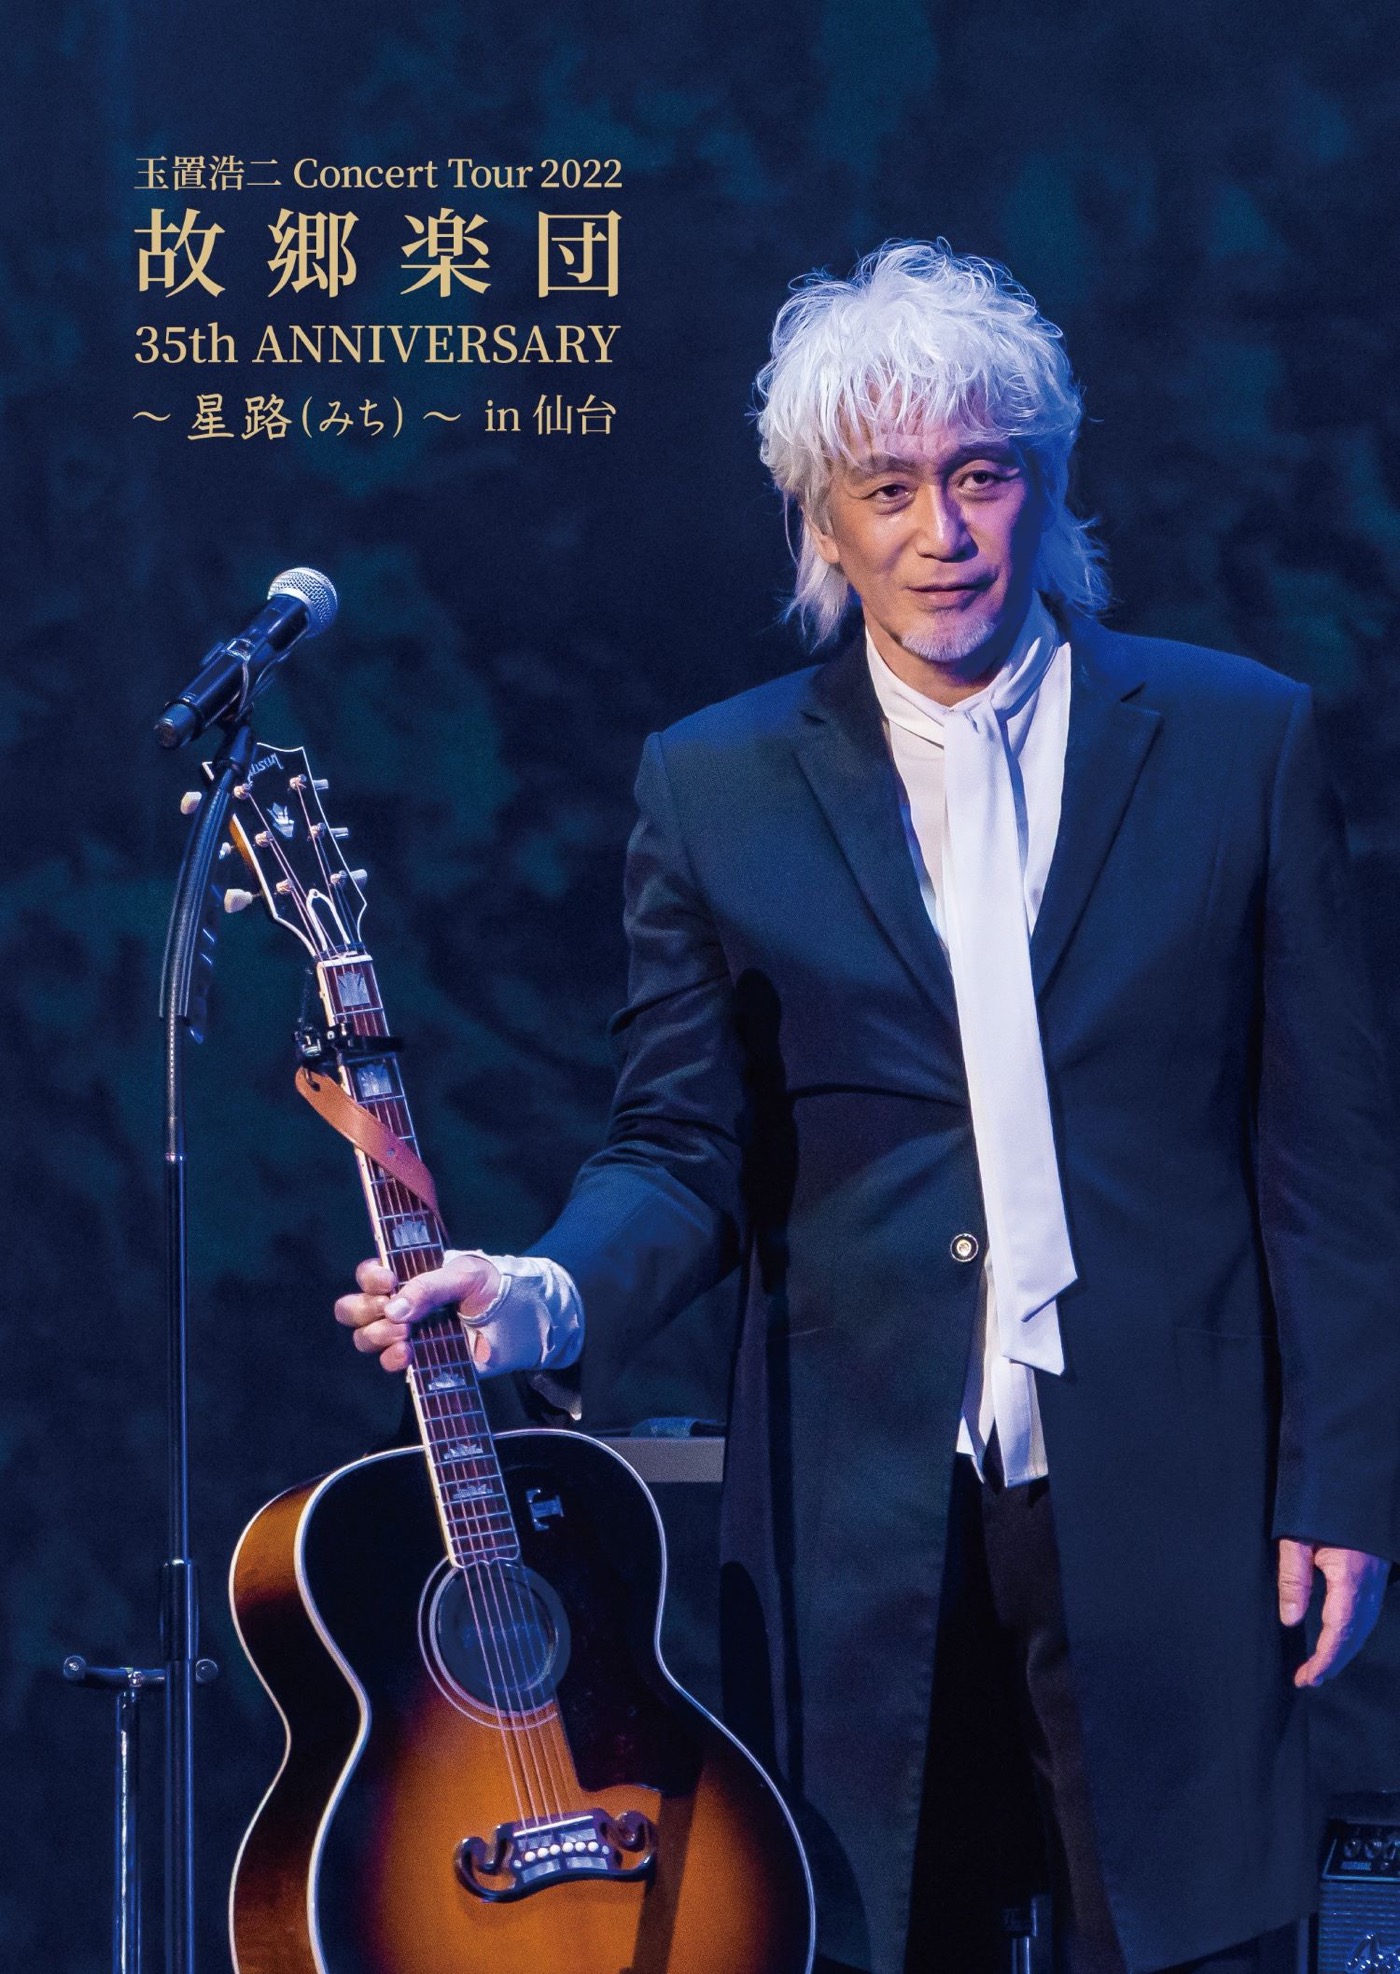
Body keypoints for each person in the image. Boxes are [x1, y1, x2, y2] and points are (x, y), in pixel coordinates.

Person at [334, 242, 1400, 1974]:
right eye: (887, 488)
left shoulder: (1237, 741)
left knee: (1194, 1935)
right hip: (864, 1521)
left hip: (1179, 1495)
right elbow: (682, 1144)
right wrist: (541, 1288)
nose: (940, 530)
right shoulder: (715, 782)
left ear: (1048, 481)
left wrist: (1345, 1477)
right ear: (822, 521)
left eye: (981, 476)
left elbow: (1331, 1159)